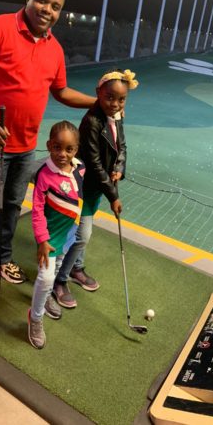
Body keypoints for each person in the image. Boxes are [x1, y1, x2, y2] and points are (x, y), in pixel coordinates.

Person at [0, 0, 95, 313]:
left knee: (12, 207)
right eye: (42, 1)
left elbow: (60, 92)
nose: (47, 10)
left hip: (26, 145)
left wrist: (99, 103)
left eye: (56, 6)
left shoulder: (55, 49)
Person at [53, 69, 139, 309]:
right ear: (98, 94)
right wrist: (113, 194)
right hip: (83, 184)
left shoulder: (118, 115)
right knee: (80, 235)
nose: (115, 103)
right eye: (109, 97)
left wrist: (120, 168)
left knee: (79, 234)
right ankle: (59, 280)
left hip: (97, 185)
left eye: (121, 99)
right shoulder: (91, 121)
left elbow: (121, 146)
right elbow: (94, 162)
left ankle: (75, 268)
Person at [28, 121, 84, 349]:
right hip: (49, 238)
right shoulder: (44, 175)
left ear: (76, 150)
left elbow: (80, 195)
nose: (62, 154)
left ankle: (47, 296)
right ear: (49, 145)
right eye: (57, 147)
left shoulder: (80, 168)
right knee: (46, 277)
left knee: (58, 268)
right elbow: (37, 211)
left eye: (69, 149)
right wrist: (42, 240)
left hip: (68, 234)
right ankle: (35, 317)